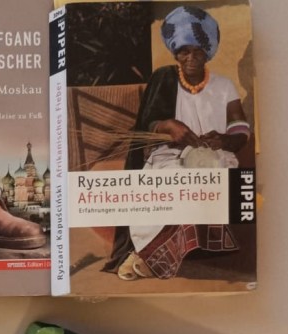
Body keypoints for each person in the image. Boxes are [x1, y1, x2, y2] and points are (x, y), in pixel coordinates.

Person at [105, 6, 250, 281]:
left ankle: (146, 258)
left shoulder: (224, 86)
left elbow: (240, 127)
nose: (191, 58)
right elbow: (148, 123)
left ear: (208, 52)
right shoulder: (164, 79)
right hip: (169, 154)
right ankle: (152, 254)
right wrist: (169, 126)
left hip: (216, 155)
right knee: (173, 177)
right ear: (175, 53)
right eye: (184, 51)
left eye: (198, 51)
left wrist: (225, 139)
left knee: (207, 176)